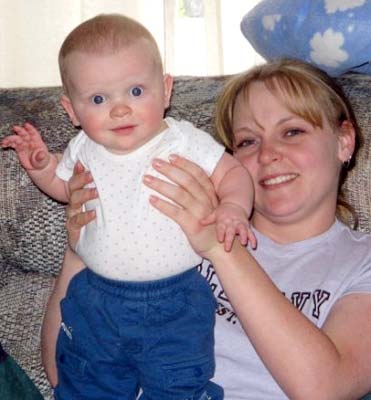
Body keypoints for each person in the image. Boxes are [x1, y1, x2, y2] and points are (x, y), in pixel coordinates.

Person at [48, 58, 371, 399]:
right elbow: (61, 373)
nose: (268, 155)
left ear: (343, 141)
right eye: (248, 142)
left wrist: (218, 248)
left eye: (292, 132)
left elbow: (326, 389)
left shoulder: (361, 261)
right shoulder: (165, 234)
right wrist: (81, 250)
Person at [2, 13, 257, 400]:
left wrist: (234, 208)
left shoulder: (183, 141)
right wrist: (41, 167)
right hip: (96, 297)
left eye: (136, 92)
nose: (120, 109)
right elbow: (64, 189)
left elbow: (233, 173)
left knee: (178, 381)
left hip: (176, 299)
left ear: (166, 90)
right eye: (99, 99)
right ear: (71, 111)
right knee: (88, 379)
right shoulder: (82, 149)